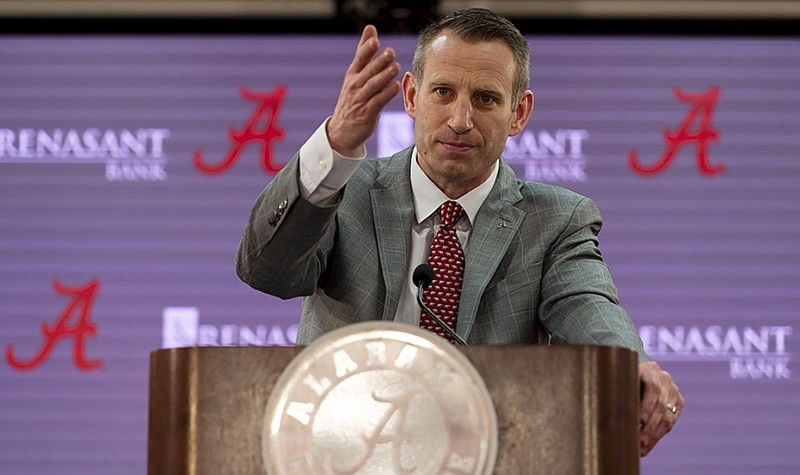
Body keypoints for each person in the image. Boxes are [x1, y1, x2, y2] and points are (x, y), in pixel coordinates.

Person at [236, 7, 682, 457]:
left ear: (518, 112)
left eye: (486, 98)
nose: (460, 119)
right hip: (341, 451)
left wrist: (632, 366)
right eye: (443, 92)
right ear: (411, 96)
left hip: (485, 454)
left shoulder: (556, 220)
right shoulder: (344, 191)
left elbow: (587, 307)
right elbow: (266, 270)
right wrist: (335, 144)